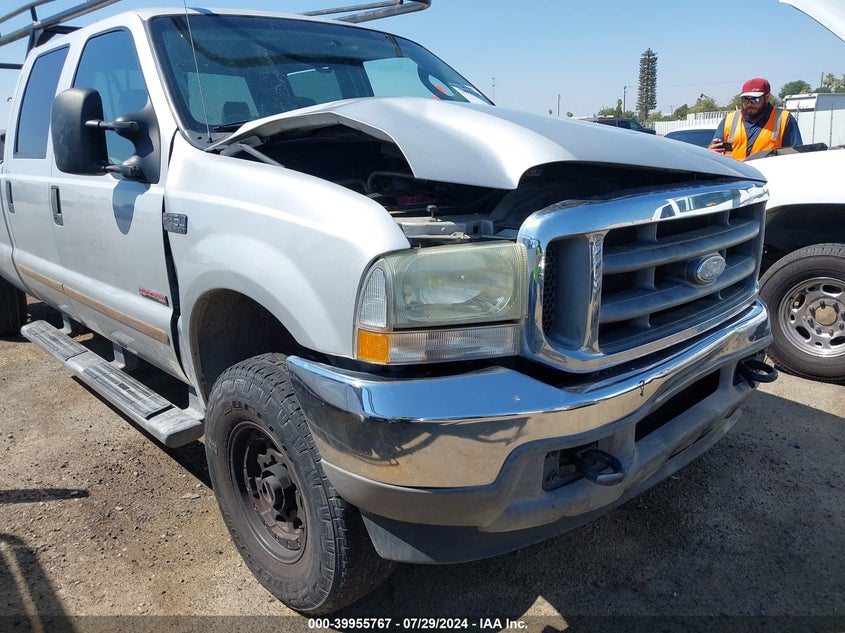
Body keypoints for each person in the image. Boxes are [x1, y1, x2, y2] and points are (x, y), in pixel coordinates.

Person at [708, 77, 802, 160]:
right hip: (735, 176)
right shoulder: (729, 120)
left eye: (755, 99)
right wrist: (711, 152)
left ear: (767, 97)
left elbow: (796, 156)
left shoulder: (784, 119)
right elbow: (714, 152)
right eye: (745, 99)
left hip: (768, 177)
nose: (749, 104)